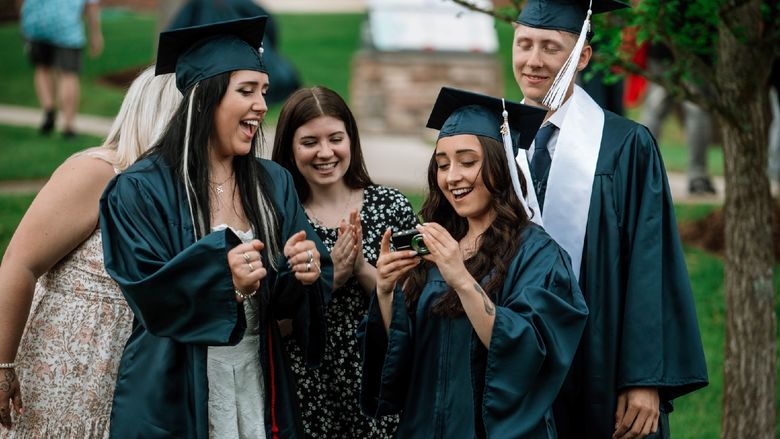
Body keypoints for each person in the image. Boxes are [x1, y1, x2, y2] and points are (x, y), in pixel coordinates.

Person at [99, 16, 332, 439]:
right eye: (246, 91)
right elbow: (147, 291)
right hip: (177, 384)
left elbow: (287, 300)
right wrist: (228, 282)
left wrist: (305, 272)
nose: (262, 105)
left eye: (263, 91)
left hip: (259, 377)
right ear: (204, 100)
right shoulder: (139, 190)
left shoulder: (271, 181)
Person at [512, 1, 708, 437]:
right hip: (515, 370)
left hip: (601, 364)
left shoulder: (625, 146)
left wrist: (643, 379)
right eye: (524, 43)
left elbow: (650, 264)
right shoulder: (495, 141)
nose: (533, 60)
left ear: (582, 56)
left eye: (551, 47)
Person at [358, 86, 589, 438]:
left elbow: (528, 353)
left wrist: (462, 279)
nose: (452, 177)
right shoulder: (434, 246)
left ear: (500, 165)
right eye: (442, 165)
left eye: (467, 162)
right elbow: (403, 358)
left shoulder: (538, 255)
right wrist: (387, 292)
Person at [0, 65, 180, 436]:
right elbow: (20, 263)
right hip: (66, 371)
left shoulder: (176, 192)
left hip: (133, 376)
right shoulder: (97, 172)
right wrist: (2, 366)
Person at [271, 86, 416, 438]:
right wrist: (330, 279)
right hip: (309, 390)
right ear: (290, 149)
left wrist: (362, 269)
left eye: (336, 138)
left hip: (380, 384)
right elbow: (271, 324)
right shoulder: (279, 218)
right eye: (309, 142)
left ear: (351, 139)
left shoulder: (391, 206)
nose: (325, 152)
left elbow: (414, 306)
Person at [639, 42, 716, 195]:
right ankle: (698, 177)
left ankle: (638, 171)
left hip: (663, 50)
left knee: (655, 110)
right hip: (693, 48)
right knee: (696, 111)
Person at [20, 0, 103, 138]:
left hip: (36, 25)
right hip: (67, 29)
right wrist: (95, 34)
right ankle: (68, 125)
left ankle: (48, 110)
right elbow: (92, 5)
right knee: (68, 75)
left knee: (42, 69)